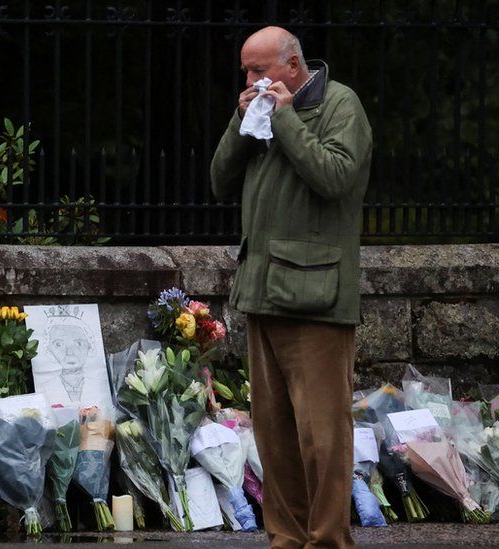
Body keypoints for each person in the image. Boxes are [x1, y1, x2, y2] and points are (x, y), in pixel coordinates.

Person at [210, 26, 372, 549]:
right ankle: (285, 537)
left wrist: (285, 121)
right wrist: (242, 121)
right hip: (262, 289)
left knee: (322, 437)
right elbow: (218, 181)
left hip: (317, 296)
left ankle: (327, 541)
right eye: (246, 72)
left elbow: (335, 176)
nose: (252, 80)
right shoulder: (259, 110)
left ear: (294, 66)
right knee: (275, 436)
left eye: (260, 70)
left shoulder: (339, 104)